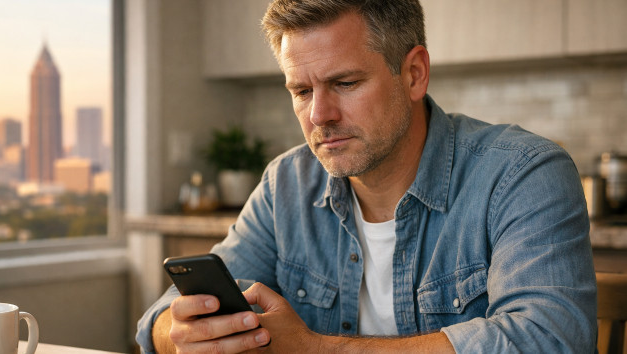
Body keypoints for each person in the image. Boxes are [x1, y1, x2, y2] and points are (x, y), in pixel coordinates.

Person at [136, 0, 597, 352]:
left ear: (414, 74)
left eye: (345, 83)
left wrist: (316, 349)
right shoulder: (286, 185)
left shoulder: (523, 173)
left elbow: (551, 339)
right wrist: (178, 332)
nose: (319, 115)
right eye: (301, 90)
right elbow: (156, 321)